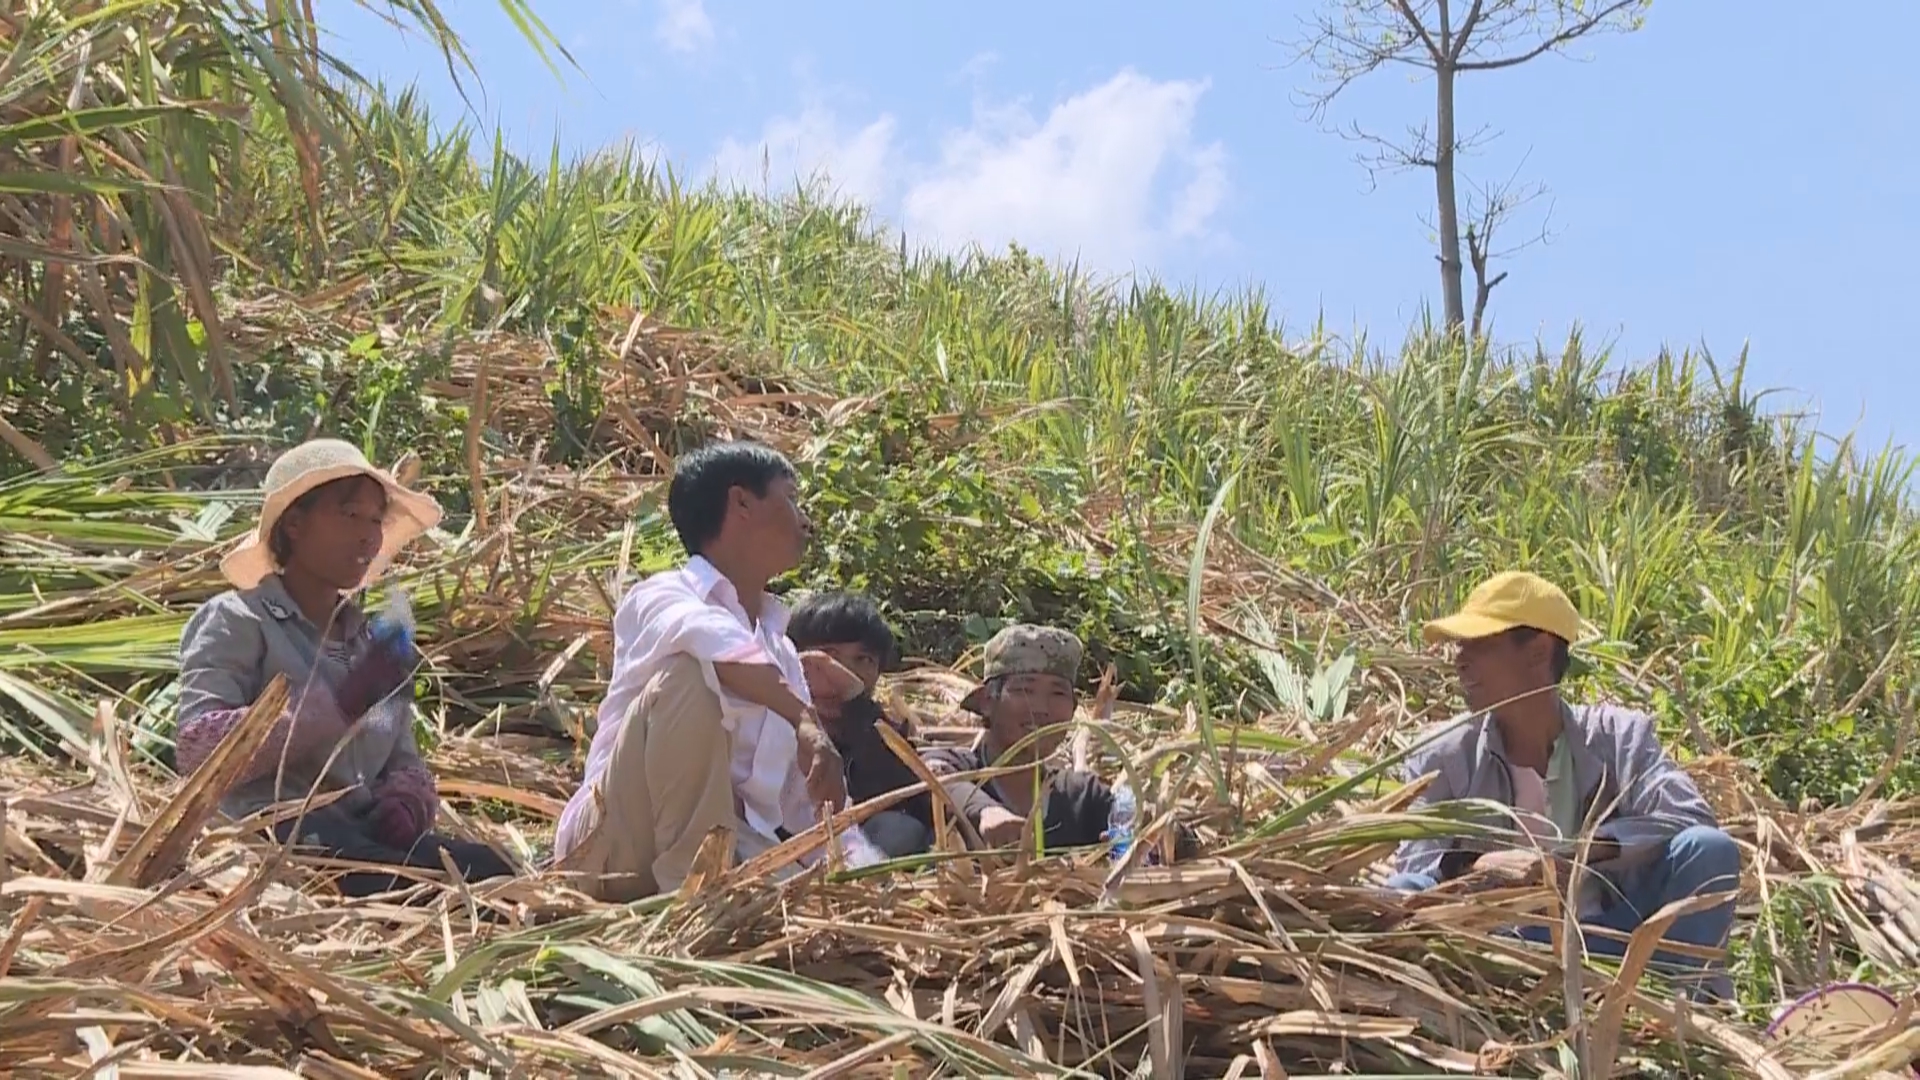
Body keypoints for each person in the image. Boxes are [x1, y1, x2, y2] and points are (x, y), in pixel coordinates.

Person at [174, 439, 516, 897]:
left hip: (359, 833)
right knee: (401, 884)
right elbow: (197, 751)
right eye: (350, 515)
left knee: (494, 871)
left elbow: (404, 761)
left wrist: (404, 804)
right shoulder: (238, 619)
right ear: (294, 524)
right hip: (274, 834)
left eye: (375, 520)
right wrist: (331, 708)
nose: (368, 535)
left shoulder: (370, 645)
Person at [1390, 570, 1741, 1000]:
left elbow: (1689, 816)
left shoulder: (1619, 738)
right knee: (1398, 895)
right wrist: (1476, 870)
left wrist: (1579, 856)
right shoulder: (1441, 757)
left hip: (1618, 941)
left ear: (1538, 652)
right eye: (1458, 645)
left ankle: (1682, 1011)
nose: (1459, 658)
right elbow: (1416, 870)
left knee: (1710, 850)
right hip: (1499, 947)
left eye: (1478, 644)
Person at [552, 440, 866, 901]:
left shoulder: (780, 653)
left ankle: (712, 885)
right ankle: (695, 899)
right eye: (791, 499)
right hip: (613, 846)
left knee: (826, 897)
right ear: (741, 502)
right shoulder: (661, 596)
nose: (805, 519)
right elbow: (711, 640)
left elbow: (808, 808)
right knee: (687, 677)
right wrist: (805, 722)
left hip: (731, 849)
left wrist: (867, 870)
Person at [925, 624, 1196, 859]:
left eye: (1058, 694)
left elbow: (1146, 824)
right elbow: (934, 776)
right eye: (1024, 689)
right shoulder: (956, 766)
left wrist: (1165, 833)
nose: (1041, 708)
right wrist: (985, 812)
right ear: (987, 702)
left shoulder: (1080, 796)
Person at [787, 591, 933, 857]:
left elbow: (917, 799)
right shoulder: (763, 720)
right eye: (828, 656)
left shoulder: (881, 731)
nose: (843, 673)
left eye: (863, 660)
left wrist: (857, 707)